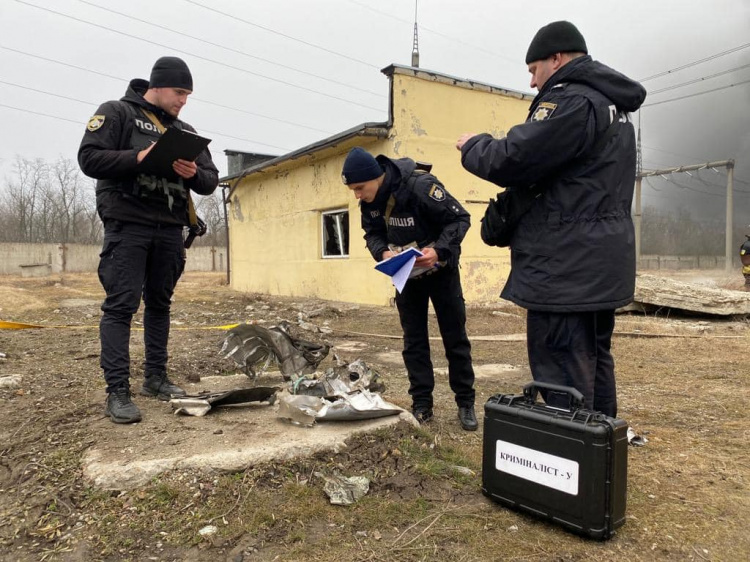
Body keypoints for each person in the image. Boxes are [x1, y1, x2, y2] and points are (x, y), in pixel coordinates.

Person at [456, 21, 646, 418]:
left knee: (562, 374)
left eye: (533, 69)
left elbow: (514, 158)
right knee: (593, 363)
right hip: (596, 263)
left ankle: (570, 470)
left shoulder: (571, 102)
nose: (531, 82)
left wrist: (474, 145)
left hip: (565, 268)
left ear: (556, 59)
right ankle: (600, 457)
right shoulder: (613, 107)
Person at [78, 56, 219, 424]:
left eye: (188, 95)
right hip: (128, 223)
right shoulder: (117, 113)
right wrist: (139, 156)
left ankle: (155, 378)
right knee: (121, 305)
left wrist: (192, 172)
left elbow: (210, 179)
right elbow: (89, 158)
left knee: (160, 303)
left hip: (170, 228)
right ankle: (118, 392)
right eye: (179, 92)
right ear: (156, 86)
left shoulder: (185, 130)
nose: (184, 101)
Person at [342, 147, 478, 431]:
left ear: (375, 177)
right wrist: (383, 254)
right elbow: (373, 234)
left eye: (359, 187)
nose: (357, 194)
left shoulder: (420, 186)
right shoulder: (369, 202)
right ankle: (422, 404)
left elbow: (459, 219)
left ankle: (465, 402)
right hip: (406, 275)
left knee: (455, 337)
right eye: (353, 190)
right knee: (413, 341)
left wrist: (438, 251)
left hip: (441, 271)